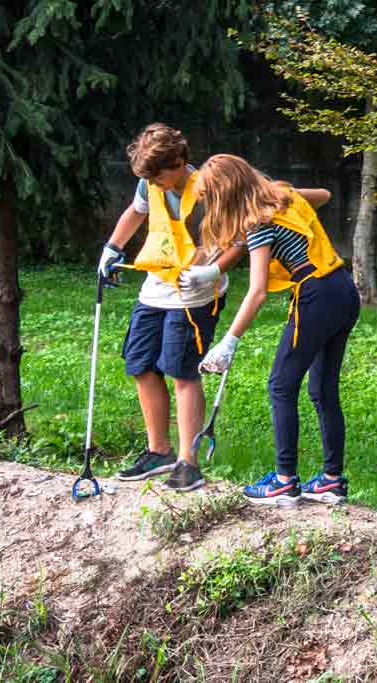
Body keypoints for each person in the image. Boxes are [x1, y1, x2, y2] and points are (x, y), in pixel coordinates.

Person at [192, 154, 359, 507]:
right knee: (322, 389)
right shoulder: (283, 195)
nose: (206, 203)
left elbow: (257, 291)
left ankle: (284, 481)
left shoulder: (258, 224)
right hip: (343, 289)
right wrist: (284, 193)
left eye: (209, 196)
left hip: (315, 295)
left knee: (281, 385)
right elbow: (326, 195)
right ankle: (331, 481)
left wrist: (228, 342)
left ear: (226, 194)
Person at [96, 123, 243, 493]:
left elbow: (239, 242)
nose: (155, 185)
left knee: (182, 371)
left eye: (160, 177)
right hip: (156, 288)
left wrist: (210, 271)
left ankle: (187, 462)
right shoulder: (150, 182)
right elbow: (135, 212)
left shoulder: (210, 190)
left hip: (196, 293)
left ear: (179, 161)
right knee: (140, 363)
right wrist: (112, 248)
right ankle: (158, 451)